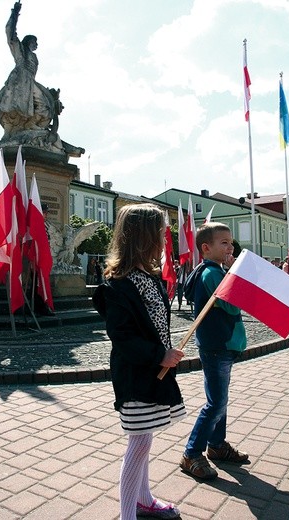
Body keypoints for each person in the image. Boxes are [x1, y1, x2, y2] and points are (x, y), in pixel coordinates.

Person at [93, 203, 186, 520]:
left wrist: (164, 352)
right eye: (161, 232)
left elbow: (156, 325)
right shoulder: (120, 282)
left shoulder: (150, 275)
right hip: (135, 375)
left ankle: (143, 499)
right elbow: (122, 335)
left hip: (151, 374)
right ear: (145, 236)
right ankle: (127, 514)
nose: (165, 238)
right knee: (140, 443)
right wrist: (159, 354)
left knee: (144, 438)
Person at [180, 222, 249, 481]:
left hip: (219, 346)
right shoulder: (212, 274)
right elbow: (232, 308)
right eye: (224, 243)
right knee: (215, 403)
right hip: (217, 347)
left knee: (219, 400)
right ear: (206, 248)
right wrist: (234, 275)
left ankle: (217, 445)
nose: (230, 247)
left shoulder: (213, 271)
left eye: (231, 242)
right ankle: (192, 452)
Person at [0, 2, 56, 135]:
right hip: (19, 79)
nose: (37, 45)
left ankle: (31, 123)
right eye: (35, 41)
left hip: (30, 81)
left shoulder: (34, 56)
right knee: (14, 106)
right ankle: (15, 127)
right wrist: (14, 14)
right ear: (28, 41)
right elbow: (10, 35)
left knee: (44, 104)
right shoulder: (20, 49)